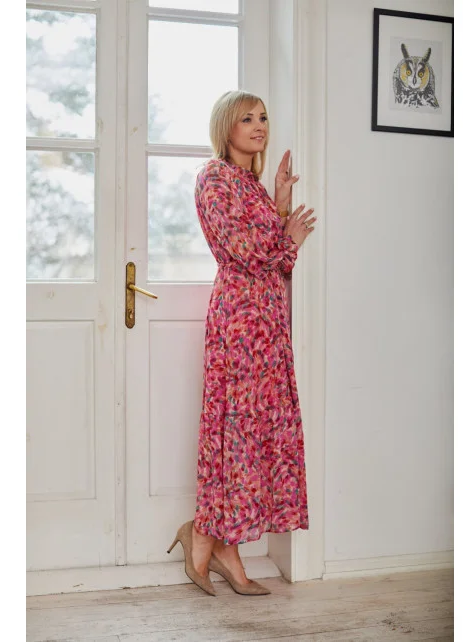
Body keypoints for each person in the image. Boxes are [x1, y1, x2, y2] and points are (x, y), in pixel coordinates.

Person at [167, 90, 316, 597]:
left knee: (253, 432)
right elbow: (248, 253)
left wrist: (279, 201)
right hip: (240, 320)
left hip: (267, 318)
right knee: (233, 428)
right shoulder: (214, 177)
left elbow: (279, 263)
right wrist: (287, 234)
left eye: (263, 118)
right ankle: (208, 537)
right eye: (247, 118)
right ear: (225, 126)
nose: (259, 126)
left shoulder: (249, 183)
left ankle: (216, 541)